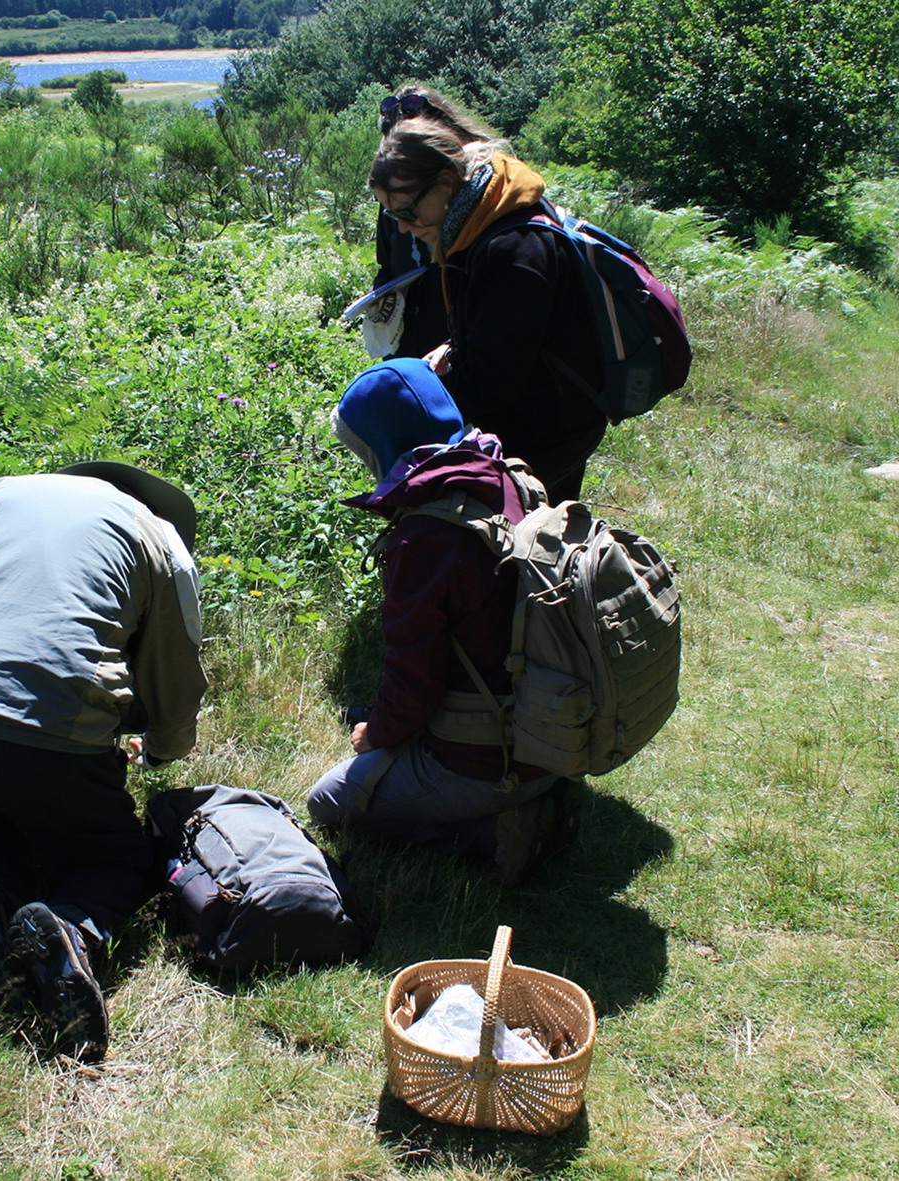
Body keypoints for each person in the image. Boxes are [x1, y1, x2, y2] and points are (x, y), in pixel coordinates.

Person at [0, 463, 207, 1062]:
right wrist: (162, 749)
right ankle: (70, 926)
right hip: (45, 737)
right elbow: (174, 674)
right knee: (117, 860)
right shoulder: (155, 536)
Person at [307, 359, 579, 886]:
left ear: (384, 441)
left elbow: (416, 675)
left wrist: (380, 733)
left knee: (329, 802)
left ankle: (496, 830)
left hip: (490, 759)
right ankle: (537, 792)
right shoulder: (507, 476)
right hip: (547, 723)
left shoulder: (426, 536)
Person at [369, 117, 607, 505]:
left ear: (445, 183)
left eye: (407, 211)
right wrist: (452, 348)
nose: (404, 228)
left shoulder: (512, 248)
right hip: (541, 411)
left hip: (549, 427)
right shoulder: (476, 222)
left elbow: (495, 380)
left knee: (523, 546)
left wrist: (414, 402)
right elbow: (506, 332)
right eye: (392, 216)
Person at [369, 86, 502, 362]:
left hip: (451, 345)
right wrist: (380, 302)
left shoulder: (492, 217)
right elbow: (387, 265)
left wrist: (452, 348)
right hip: (407, 340)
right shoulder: (393, 205)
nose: (404, 223)